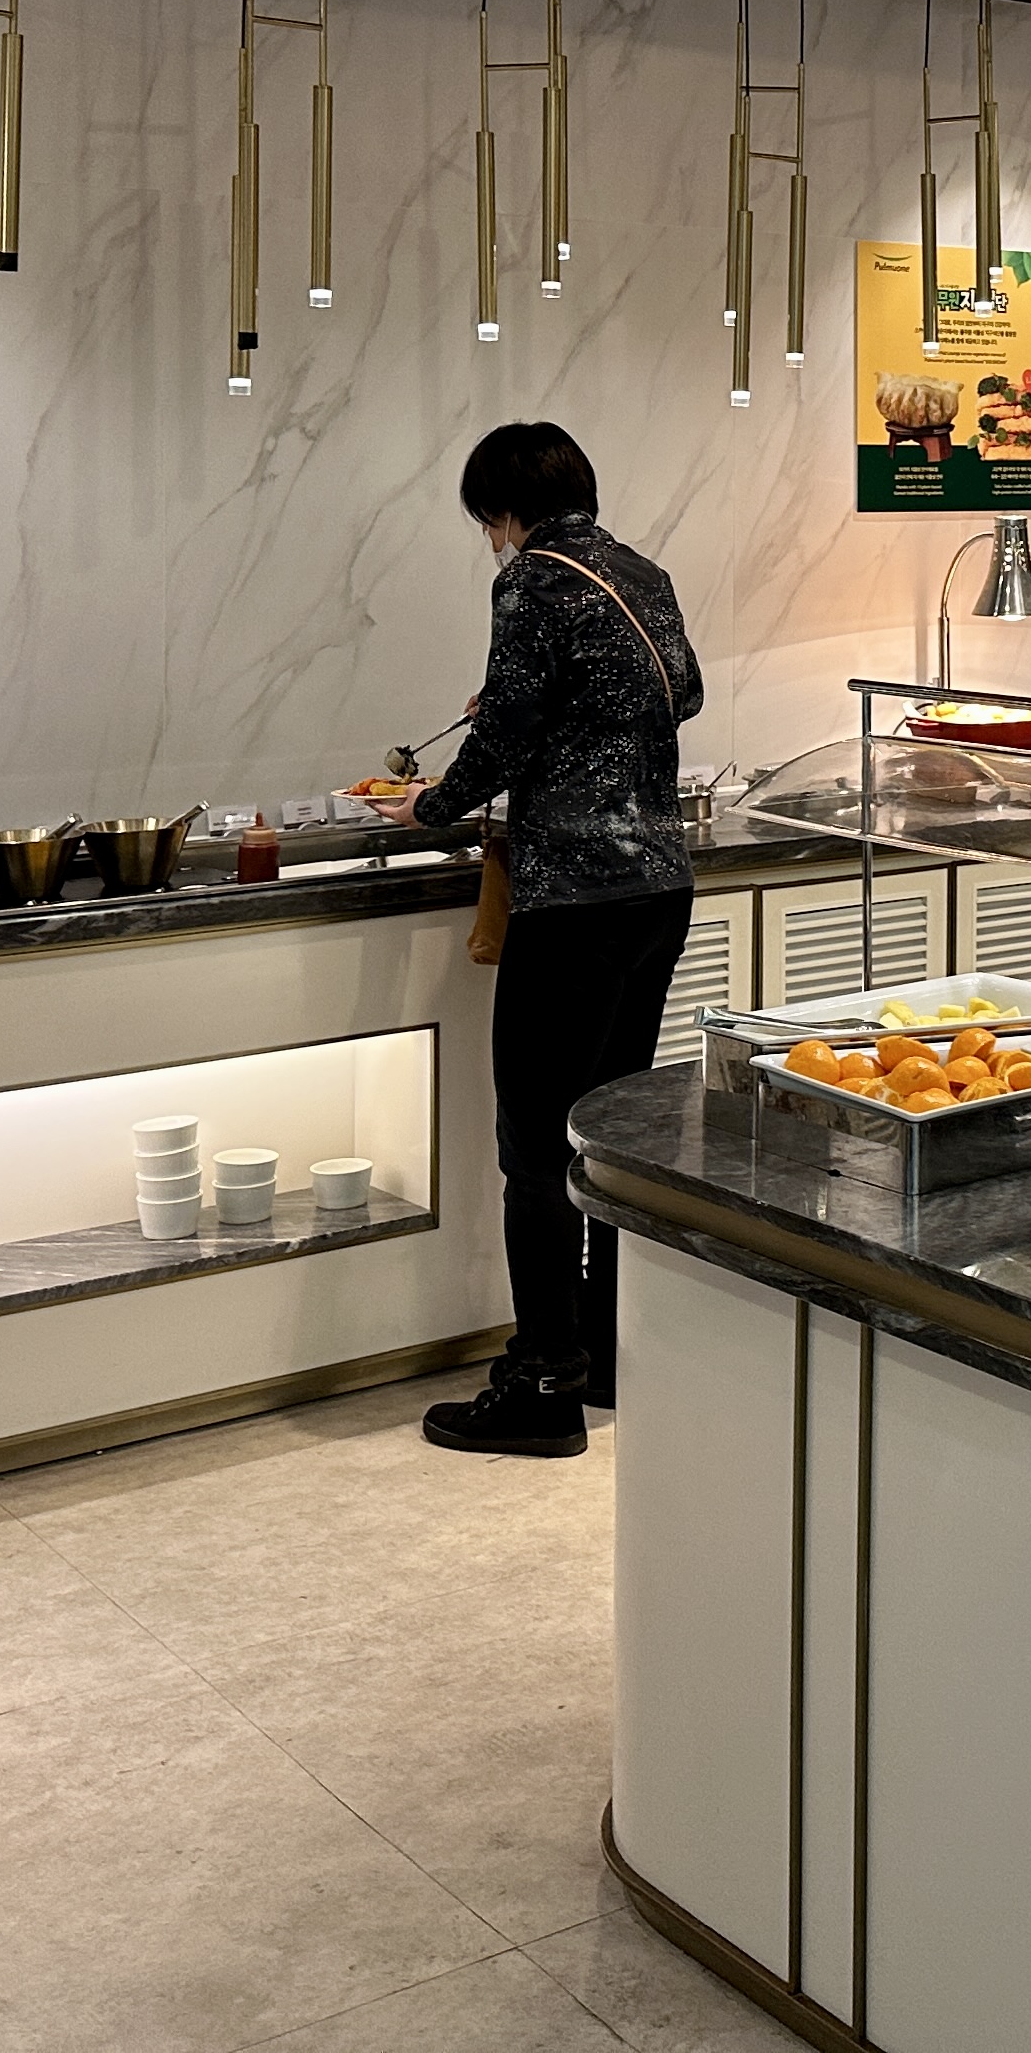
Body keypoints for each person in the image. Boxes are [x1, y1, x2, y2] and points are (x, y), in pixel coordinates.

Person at [379, 422, 705, 1456]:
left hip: (573, 899)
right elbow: (682, 692)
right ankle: (608, 1352)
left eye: (487, 521)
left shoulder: (531, 580)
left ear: (504, 509)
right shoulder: (640, 572)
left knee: (537, 1149)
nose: (490, 539)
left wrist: (430, 805)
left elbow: (509, 734)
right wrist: (560, 701)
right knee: (608, 1132)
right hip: (658, 889)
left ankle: (543, 1386)